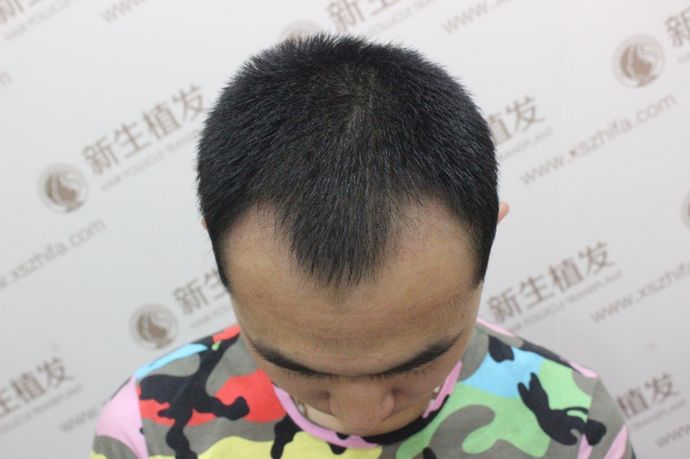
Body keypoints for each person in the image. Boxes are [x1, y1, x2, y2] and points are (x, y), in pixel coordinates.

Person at [90, 34, 634, 458]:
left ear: (489, 236)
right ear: (217, 250)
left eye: (414, 366)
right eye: (303, 371)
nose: (361, 416)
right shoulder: (145, 432)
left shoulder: (577, 428)